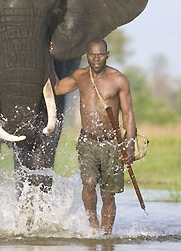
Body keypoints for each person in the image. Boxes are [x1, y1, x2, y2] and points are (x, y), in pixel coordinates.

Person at [50, 39, 136, 235]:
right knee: (89, 183)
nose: (96, 59)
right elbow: (57, 88)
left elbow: (128, 114)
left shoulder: (118, 79)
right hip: (87, 141)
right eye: (92, 55)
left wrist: (129, 145)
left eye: (100, 55)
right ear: (87, 56)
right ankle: (93, 226)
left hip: (112, 143)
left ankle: (106, 235)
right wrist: (49, 60)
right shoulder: (80, 76)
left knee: (108, 194)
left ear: (107, 54)